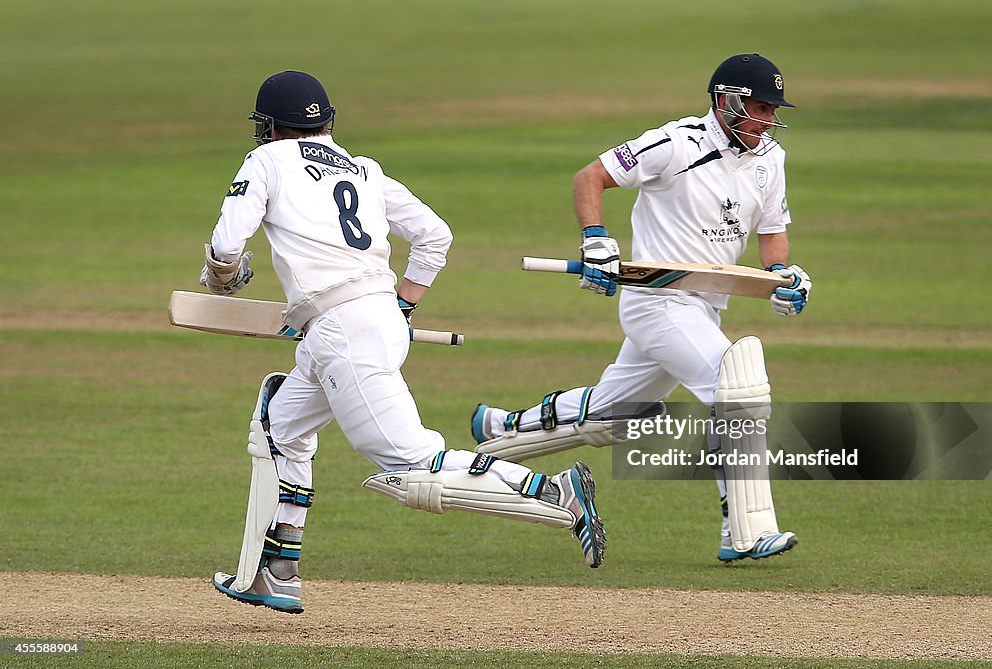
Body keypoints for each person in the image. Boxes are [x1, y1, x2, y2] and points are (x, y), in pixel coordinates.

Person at [204, 71, 606, 614]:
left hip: (344, 330)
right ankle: (276, 568)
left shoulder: (267, 161)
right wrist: (403, 305)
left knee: (412, 460)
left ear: (271, 126)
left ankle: (551, 492)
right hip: (365, 323)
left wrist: (222, 278)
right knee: (281, 422)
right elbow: (435, 234)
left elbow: (228, 246)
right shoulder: (364, 169)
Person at [471, 54, 812, 563]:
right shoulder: (676, 143)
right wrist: (595, 240)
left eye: (772, 110)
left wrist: (784, 276)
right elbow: (590, 177)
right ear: (727, 100)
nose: (766, 120)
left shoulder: (770, 160)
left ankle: (500, 430)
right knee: (735, 386)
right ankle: (743, 530)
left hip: (705, 306)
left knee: (617, 415)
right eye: (759, 107)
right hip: (657, 302)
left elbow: (772, 239)